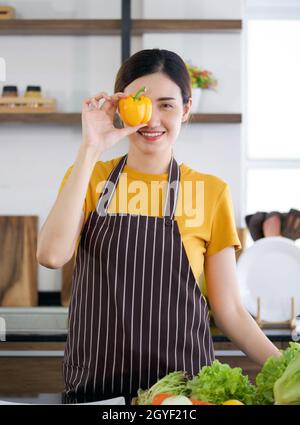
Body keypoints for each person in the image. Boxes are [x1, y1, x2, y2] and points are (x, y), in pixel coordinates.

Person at [37, 48, 281, 403]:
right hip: (100, 393)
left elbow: (228, 309)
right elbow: (51, 255)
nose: (152, 120)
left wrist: (287, 367)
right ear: (121, 107)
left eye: (166, 105)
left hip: (184, 395)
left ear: (186, 108)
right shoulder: (91, 178)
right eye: (140, 103)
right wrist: (91, 146)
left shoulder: (211, 192)